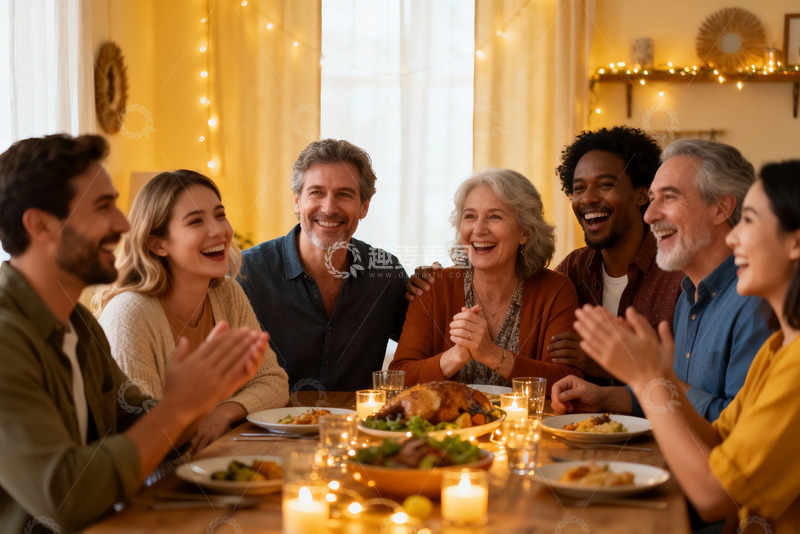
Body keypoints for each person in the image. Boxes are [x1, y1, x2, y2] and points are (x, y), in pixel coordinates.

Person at [0, 134, 267, 532]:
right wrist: (181, 406)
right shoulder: (7, 339)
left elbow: (135, 422)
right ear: (41, 225)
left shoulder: (79, 324)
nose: (124, 224)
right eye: (102, 207)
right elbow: (67, 496)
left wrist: (200, 398)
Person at [571, 160, 800, 531]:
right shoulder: (778, 347)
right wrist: (661, 378)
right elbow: (718, 440)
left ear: (795, 243)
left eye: (749, 220)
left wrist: (647, 379)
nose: (733, 238)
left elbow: (713, 497)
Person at [552, 139, 773, 421]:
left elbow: (743, 428)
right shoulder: (689, 296)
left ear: (720, 208)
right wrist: (604, 397)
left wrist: (645, 374)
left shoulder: (756, 302)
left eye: (669, 197)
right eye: (653, 199)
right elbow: (675, 395)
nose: (649, 215)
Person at [93, 170, 289, 452]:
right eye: (196, 221)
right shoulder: (129, 314)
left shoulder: (227, 293)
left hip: (219, 462)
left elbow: (273, 381)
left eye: (220, 215)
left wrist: (221, 414)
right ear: (158, 244)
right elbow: (142, 436)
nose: (218, 230)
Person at [238, 139, 408, 392]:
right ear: (297, 200)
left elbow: (424, 347)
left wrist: (433, 289)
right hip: (267, 418)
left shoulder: (385, 274)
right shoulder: (246, 273)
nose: (328, 208)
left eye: (344, 194)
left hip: (357, 418)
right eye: (316, 192)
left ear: (364, 206)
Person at [389, 168, 582, 389]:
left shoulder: (556, 290)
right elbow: (397, 378)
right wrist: (455, 356)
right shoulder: (432, 286)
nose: (478, 229)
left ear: (525, 232)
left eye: (495, 216)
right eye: (470, 216)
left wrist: (491, 354)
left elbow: (567, 380)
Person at [549, 126, 684, 381]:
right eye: (579, 188)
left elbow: (689, 382)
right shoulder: (573, 269)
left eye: (605, 185)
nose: (588, 199)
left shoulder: (678, 273)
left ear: (642, 195)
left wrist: (605, 366)